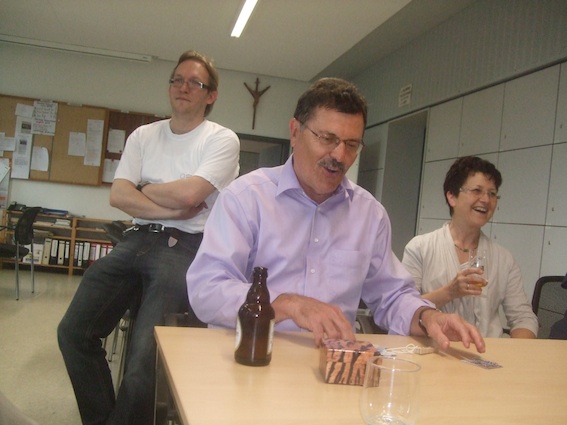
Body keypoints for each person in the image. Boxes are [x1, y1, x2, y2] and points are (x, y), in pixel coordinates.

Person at [186, 77, 485, 353]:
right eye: (327, 139)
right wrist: (286, 304)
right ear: (295, 132)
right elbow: (206, 289)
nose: (340, 156)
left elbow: (392, 295)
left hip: (332, 368)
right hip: (250, 356)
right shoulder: (246, 198)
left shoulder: (369, 215)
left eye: (351, 145)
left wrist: (426, 317)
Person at [57, 50, 240, 425]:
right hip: (135, 239)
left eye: (195, 83)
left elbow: (191, 194)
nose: (183, 87)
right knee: (73, 333)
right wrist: (170, 209)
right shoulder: (143, 135)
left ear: (211, 95)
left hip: (186, 248)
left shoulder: (222, 139)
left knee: (144, 364)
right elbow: (118, 196)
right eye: (177, 80)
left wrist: (143, 188)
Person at [402, 156, 538, 338]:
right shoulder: (420, 248)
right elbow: (403, 308)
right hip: (436, 348)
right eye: (477, 191)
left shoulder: (503, 258)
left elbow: (523, 318)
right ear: (452, 197)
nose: (486, 199)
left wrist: (518, 353)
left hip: (488, 350)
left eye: (492, 193)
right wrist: (449, 292)